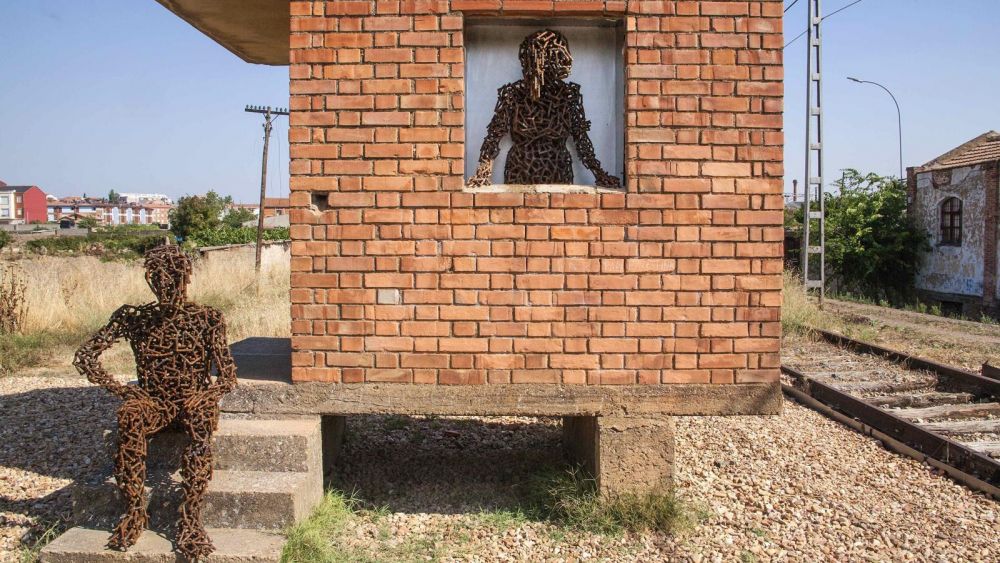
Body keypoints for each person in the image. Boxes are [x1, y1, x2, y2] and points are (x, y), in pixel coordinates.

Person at [74, 244, 237, 559]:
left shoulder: (208, 318)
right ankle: (135, 512)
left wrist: (208, 393)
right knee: (130, 416)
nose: (165, 285)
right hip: (155, 402)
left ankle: (191, 521)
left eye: (172, 277)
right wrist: (123, 391)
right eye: (158, 278)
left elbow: (228, 378)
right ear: (150, 281)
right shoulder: (135, 318)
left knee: (201, 415)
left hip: (192, 398)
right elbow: (86, 357)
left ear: (184, 278)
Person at [468, 29, 621, 189]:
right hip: (520, 171)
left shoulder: (569, 95)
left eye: (566, 52)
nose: (569, 60)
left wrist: (599, 174)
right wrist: (482, 174)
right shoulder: (513, 94)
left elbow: (581, 139)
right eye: (559, 54)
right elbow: (493, 137)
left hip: (558, 172)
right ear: (538, 58)